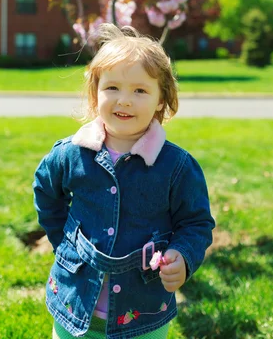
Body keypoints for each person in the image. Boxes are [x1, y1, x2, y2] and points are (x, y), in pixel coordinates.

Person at [33, 24, 215, 339]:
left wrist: (183, 256)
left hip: (143, 312)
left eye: (140, 90)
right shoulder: (71, 154)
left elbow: (196, 223)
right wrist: (63, 240)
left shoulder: (176, 167)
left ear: (161, 100)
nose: (124, 101)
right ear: (95, 94)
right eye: (112, 88)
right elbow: (46, 192)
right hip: (74, 302)